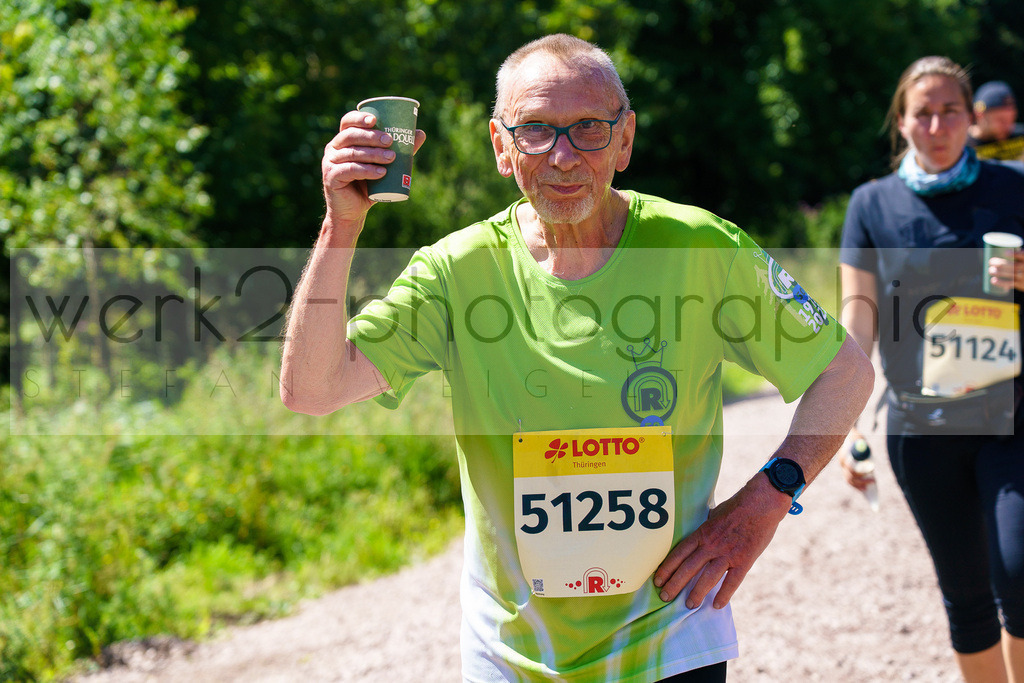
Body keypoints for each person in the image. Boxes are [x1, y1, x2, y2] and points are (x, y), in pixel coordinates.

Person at [281, 34, 873, 682]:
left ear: (625, 140)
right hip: (512, 655)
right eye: (535, 130)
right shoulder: (457, 271)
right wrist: (341, 225)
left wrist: (768, 499)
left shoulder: (700, 248)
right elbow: (313, 389)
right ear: (501, 146)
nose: (563, 157)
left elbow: (843, 371)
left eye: (589, 128)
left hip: (671, 637)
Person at [839, 56, 1024, 683]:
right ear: (901, 122)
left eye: (951, 111)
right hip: (922, 429)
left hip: (1011, 417)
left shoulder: (1013, 187)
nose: (937, 126)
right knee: (966, 599)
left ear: (972, 119)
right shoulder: (871, 204)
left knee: (1020, 573)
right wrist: (848, 421)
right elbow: (857, 319)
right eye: (923, 113)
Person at [967, 80, 1024, 161]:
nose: (1008, 125)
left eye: (1012, 119)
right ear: (979, 114)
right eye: (1001, 120)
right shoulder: (963, 146)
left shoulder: (1020, 137)